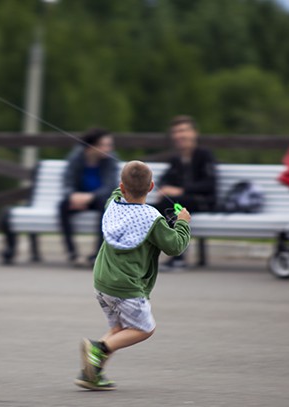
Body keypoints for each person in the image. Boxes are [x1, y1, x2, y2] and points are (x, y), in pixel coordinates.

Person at [75, 161, 191, 391]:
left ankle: (92, 374)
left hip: (102, 282)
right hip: (125, 287)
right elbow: (175, 246)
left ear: (121, 186)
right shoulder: (152, 219)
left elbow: (118, 191)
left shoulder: (113, 205)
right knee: (144, 328)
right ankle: (98, 349)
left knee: (119, 330)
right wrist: (183, 224)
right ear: (152, 187)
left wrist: (127, 182)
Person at [153, 115, 217, 269]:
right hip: (181, 203)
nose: (180, 135)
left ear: (194, 133)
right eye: (176, 132)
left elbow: (210, 184)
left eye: (184, 131)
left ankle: (177, 257)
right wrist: (163, 188)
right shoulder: (176, 159)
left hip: (204, 202)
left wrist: (180, 190)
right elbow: (165, 179)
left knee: (173, 205)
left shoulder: (204, 155)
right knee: (158, 206)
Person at [58, 128, 119, 267]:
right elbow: (68, 181)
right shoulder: (76, 157)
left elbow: (110, 186)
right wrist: (72, 195)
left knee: (106, 207)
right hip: (77, 199)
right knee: (63, 206)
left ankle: (97, 254)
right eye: (105, 145)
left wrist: (90, 197)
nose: (109, 148)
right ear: (92, 146)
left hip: (98, 199)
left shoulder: (110, 159)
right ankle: (72, 253)